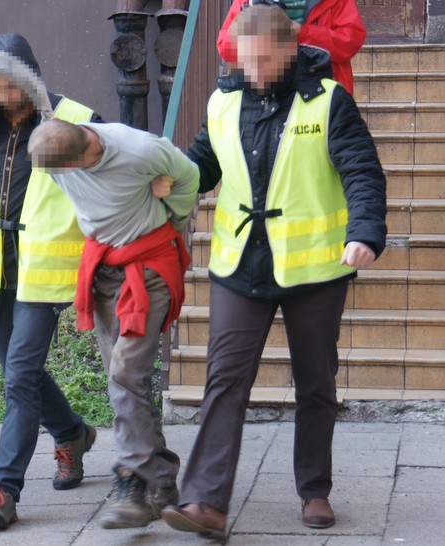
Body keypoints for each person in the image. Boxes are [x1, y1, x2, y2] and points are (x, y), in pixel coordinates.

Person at [161, 5, 387, 538]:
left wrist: (365, 232)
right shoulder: (222, 101)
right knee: (225, 380)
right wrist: (169, 183)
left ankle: (314, 490)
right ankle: (206, 504)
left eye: (264, 59)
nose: (253, 69)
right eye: (245, 59)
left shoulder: (330, 101)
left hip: (315, 270)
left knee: (315, 382)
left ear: (289, 50)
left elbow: (361, 169)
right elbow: (201, 165)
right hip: (240, 265)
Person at [0, 33, 102, 530]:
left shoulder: (77, 119)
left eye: (10, 78)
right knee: (21, 372)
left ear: (30, 77)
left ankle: (3, 488)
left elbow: (114, 180)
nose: (2, 88)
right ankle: (72, 434)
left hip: (47, 270)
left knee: (18, 376)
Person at [27, 118, 200, 529]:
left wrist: (170, 213)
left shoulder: (138, 150)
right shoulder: (55, 162)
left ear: (87, 155)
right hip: (105, 270)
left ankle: (130, 483)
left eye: (66, 170)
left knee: (125, 372)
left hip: (150, 267)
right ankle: (162, 481)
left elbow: (190, 177)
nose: (61, 178)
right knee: (125, 379)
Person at [217, 0, 366, 94]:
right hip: (263, 95)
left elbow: (351, 40)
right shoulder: (248, 2)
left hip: (322, 91)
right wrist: (253, 28)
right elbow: (225, 46)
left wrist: (302, 32)